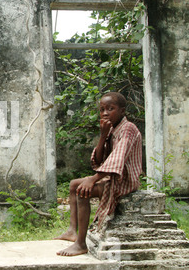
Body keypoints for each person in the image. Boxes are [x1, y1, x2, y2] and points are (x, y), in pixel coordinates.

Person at [55, 92, 142, 256]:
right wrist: (103, 136)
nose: (105, 113)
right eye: (102, 109)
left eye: (111, 108)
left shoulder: (128, 129)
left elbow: (117, 159)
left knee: (82, 191)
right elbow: (100, 160)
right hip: (113, 175)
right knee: (74, 183)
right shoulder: (112, 129)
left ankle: (81, 244)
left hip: (125, 179)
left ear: (122, 111)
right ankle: (72, 231)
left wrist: (93, 179)